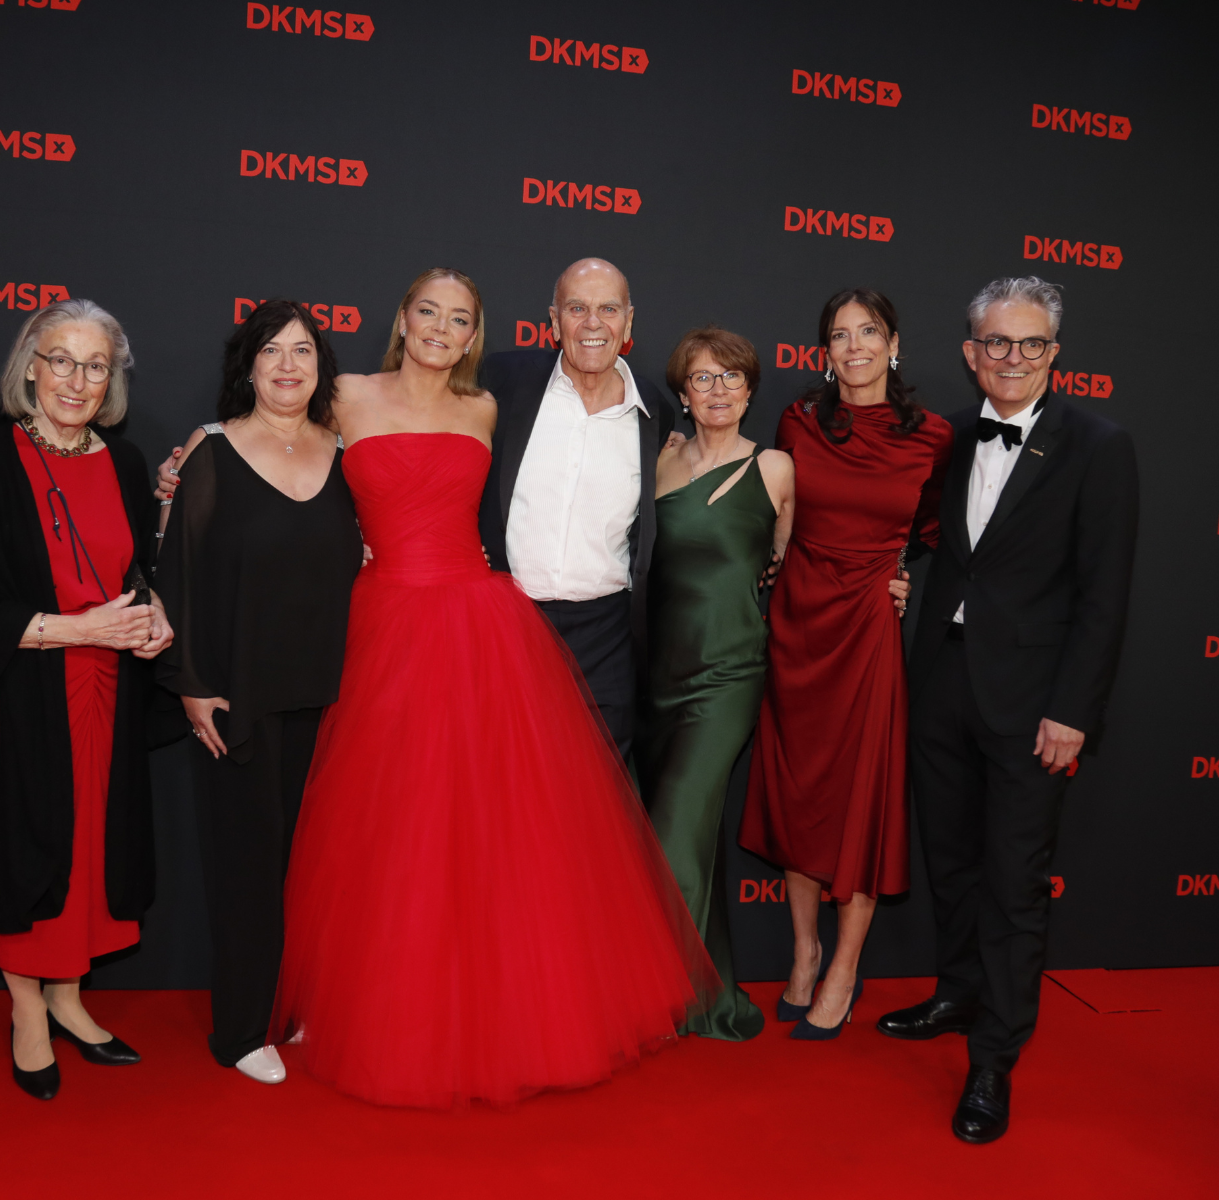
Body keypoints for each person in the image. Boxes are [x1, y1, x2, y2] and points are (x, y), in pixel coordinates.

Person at [268, 268, 719, 1109]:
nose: (441, 328)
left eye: (460, 318)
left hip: (487, 625)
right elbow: (277, 442)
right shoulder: (348, 393)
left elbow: (695, 480)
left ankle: (527, 1000)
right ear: (402, 317)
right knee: (390, 822)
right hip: (389, 628)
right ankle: (366, 999)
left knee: (511, 831)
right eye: (427, 311)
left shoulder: (502, 404)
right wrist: (197, 460)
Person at [877, 277, 1138, 1143]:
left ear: (1055, 354)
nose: (1012, 358)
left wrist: (1073, 712)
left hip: (1035, 705)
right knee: (949, 861)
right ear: (969, 351)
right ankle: (958, 991)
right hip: (942, 681)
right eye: (996, 342)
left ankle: (993, 1059)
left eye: (1030, 345)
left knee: (1015, 881)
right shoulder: (948, 438)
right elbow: (930, 541)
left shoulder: (1098, 447)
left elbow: (1105, 597)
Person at [0, 299, 172, 1100]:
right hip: (24, 689)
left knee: (96, 846)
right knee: (29, 844)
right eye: (60, 359)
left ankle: (69, 996)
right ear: (30, 364)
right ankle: (27, 1006)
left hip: (107, 690)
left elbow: (134, 573)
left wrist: (151, 611)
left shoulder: (124, 465)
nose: (78, 379)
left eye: (96, 365)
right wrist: (80, 630)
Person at [157, 300, 363, 1086]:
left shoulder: (347, 456)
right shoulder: (210, 453)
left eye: (303, 352)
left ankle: (296, 1007)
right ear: (247, 367)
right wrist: (191, 687)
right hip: (239, 697)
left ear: (322, 368)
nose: (287, 366)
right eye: (271, 352)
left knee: (316, 867)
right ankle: (242, 1028)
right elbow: (177, 577)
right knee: (248, 870)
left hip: (336, 698)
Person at [740, 288, 952, 1040]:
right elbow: (774, 513)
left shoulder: (931, 435)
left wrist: (895, 572)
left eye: (868, 332)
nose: (854, 346)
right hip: (798, 623)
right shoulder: (798, 421)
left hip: (867, 631)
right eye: (839, 334)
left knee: (858, 802)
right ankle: (802, 953)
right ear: (823, 351)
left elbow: (931, 531)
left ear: (894, 342)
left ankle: (844, 971)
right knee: (801, 795)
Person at [638, 327, 793, 1042]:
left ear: (751, 389)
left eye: (732, 377)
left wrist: (892, 584)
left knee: (675, 834)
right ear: (682, 394)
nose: (720, 390)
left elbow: (804, 569)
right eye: (704, 379)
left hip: (730, 673)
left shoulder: (777, 469)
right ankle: (706, 988)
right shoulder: (661, 463)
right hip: (655, 674)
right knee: (683, 841)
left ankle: (657, 994)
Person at [474, 258, 676, 761]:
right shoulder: (503, 380)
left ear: (629, 322)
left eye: (608, 309)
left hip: (604, 635)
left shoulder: (653, 410)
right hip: (507, 623)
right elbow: (423, 428)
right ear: (553, 319)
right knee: (499, 780)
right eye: (577, 308)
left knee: (597, 793)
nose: (592, 323)